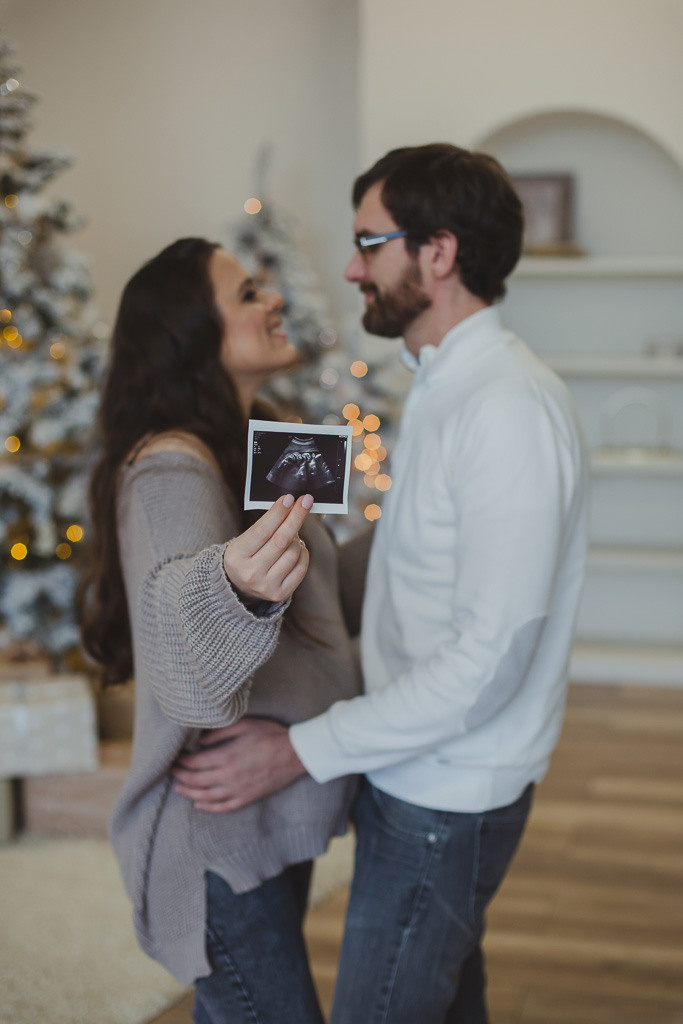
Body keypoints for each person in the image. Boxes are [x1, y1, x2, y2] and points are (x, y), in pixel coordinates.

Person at [171, 144, 590, 1023]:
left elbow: (487, 659)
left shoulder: (503, 409)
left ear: (437, 252)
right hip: (411, 766)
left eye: (370, 242)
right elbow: (414, 579)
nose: (352, 269)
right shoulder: (443, 388)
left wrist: (299, 748)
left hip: (445, 793)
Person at [79, 237, 368, 1024]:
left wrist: (418, 523)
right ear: (191, 333)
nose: (272, 298)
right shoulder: (171, 466)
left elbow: (324, 604)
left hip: (271, 811)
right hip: (214, 836)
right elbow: (184, 649)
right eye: (246, 294)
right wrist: (231, 588)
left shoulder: (266, 431)